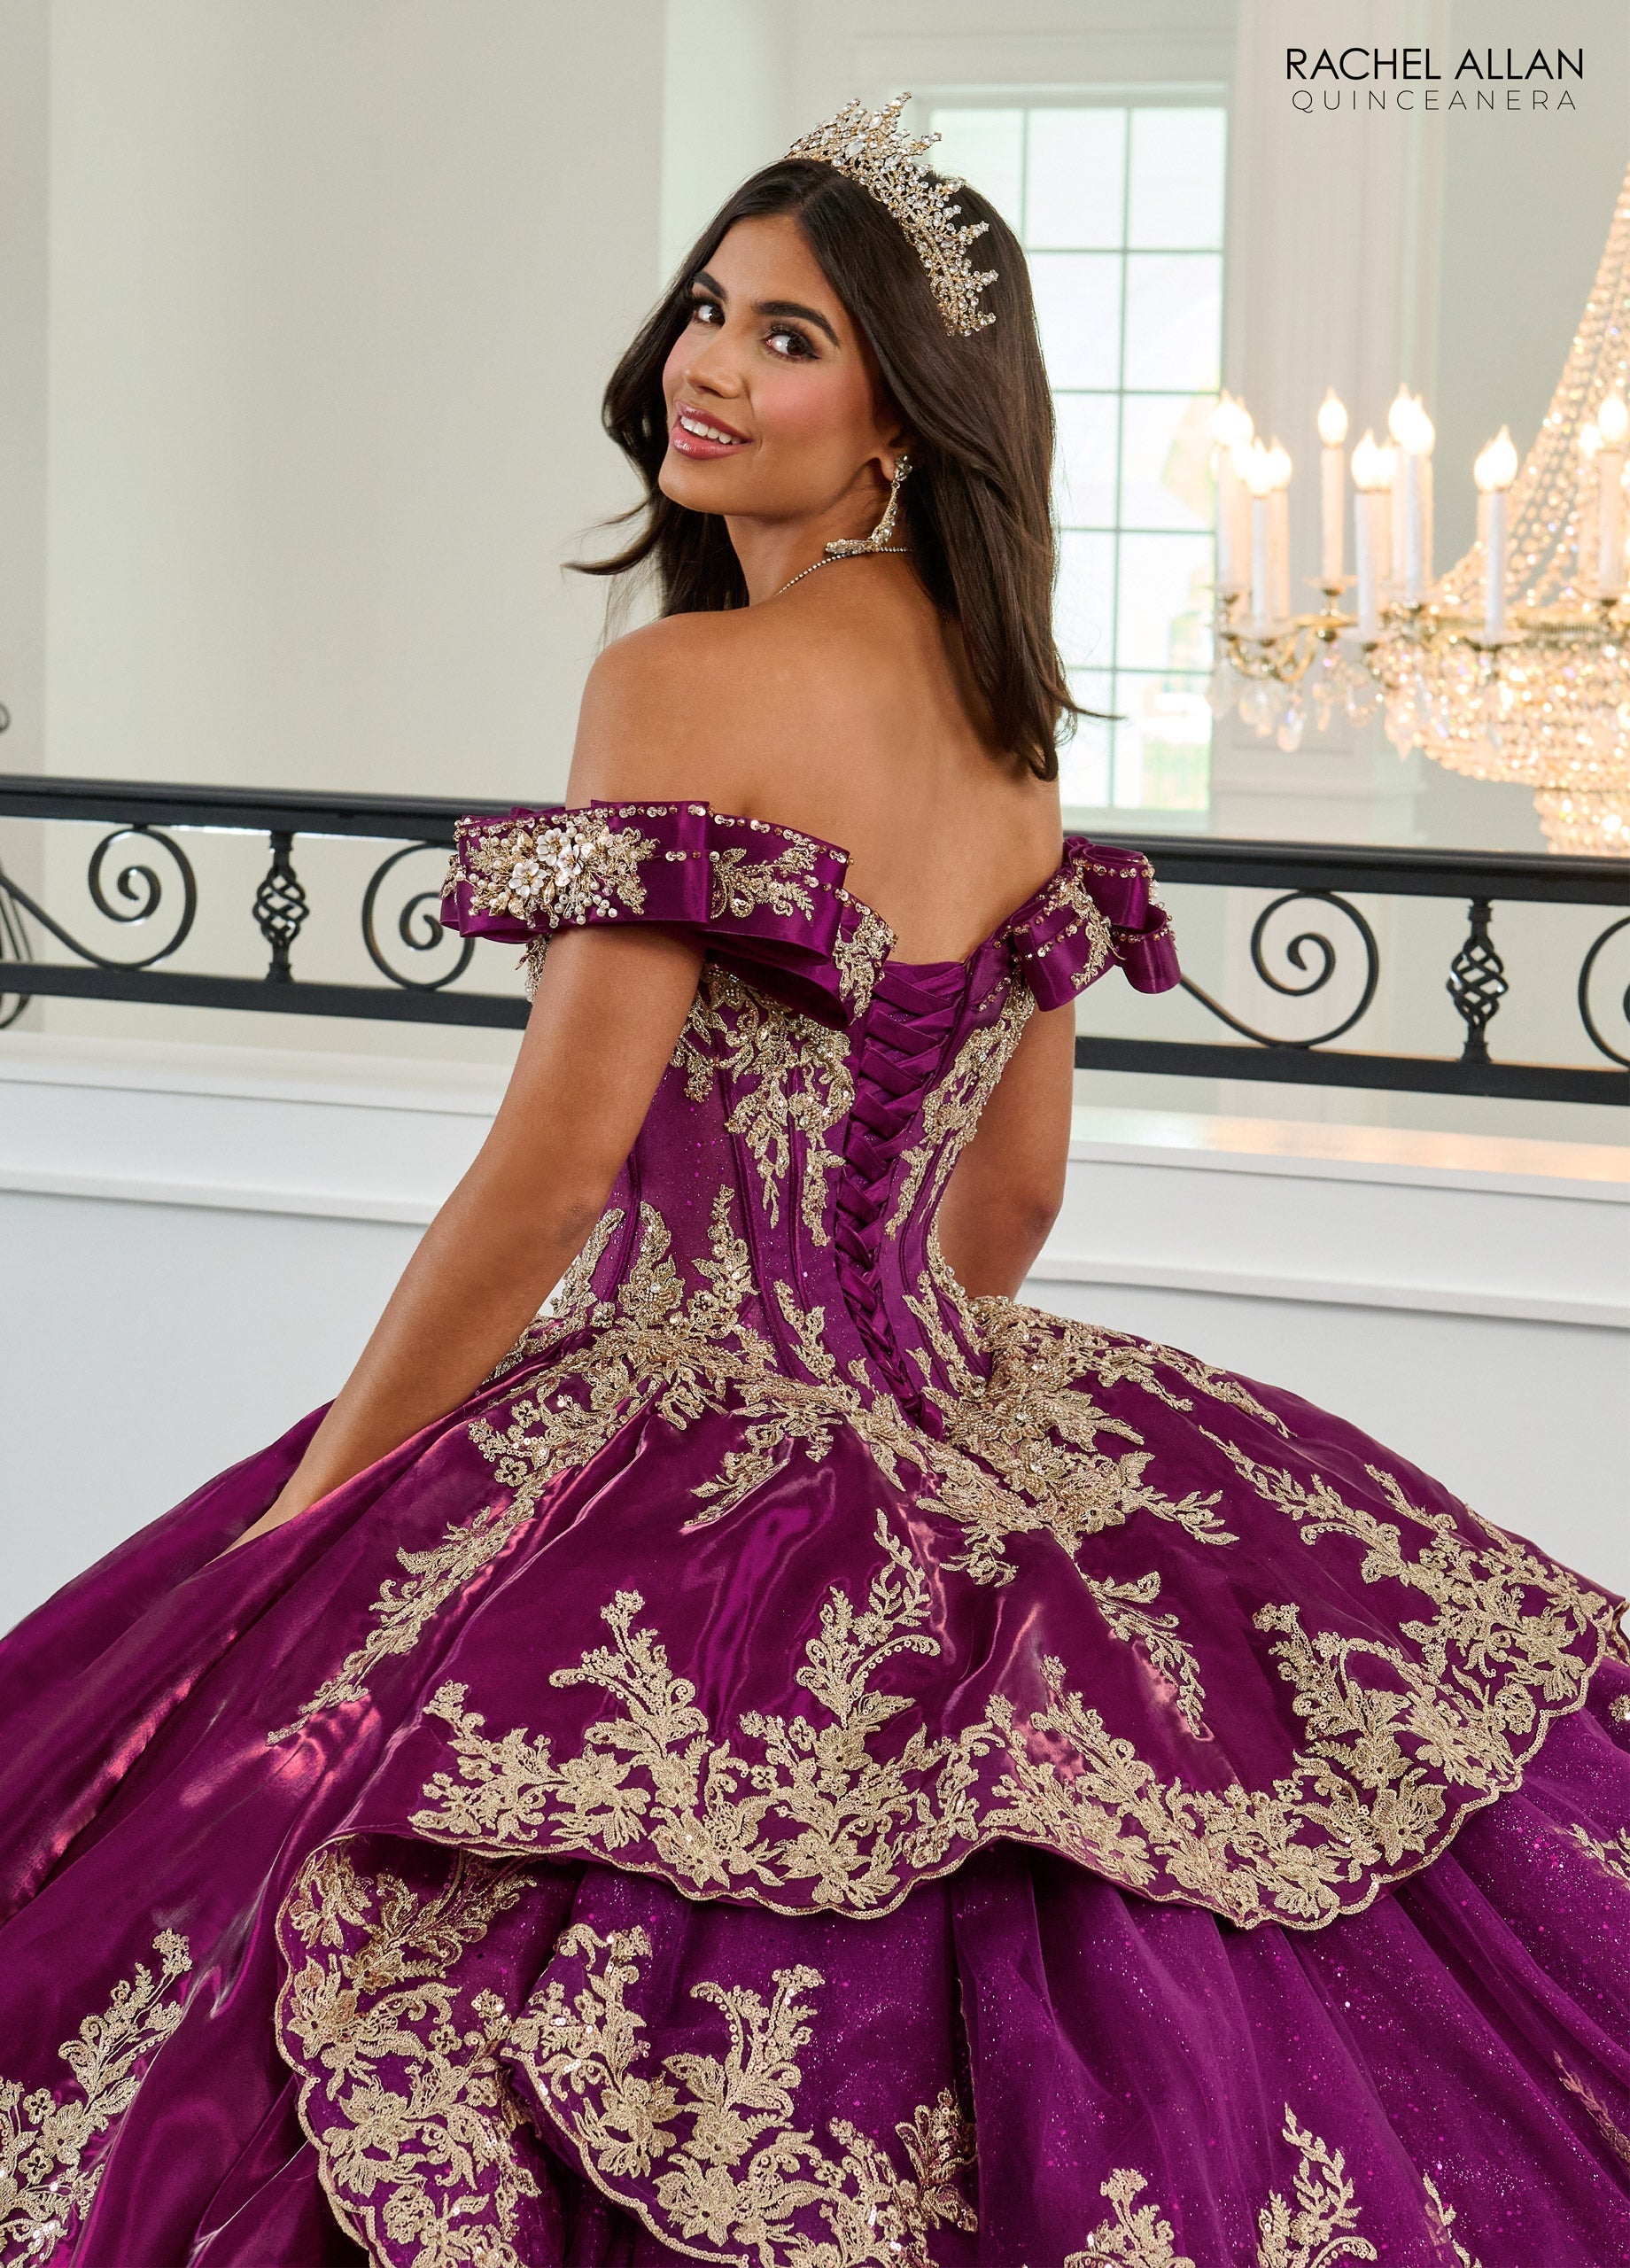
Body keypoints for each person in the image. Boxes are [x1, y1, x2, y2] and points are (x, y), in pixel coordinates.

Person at [0, 95, 1625, 2268]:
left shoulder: (676, 681)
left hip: (678, 1398)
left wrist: (313, 1516)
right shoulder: (1009, 724)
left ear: (900, 422)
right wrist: (900, 1411)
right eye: (708, 308)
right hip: (939, 1390)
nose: (707, 363)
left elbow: (555, 1169)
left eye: (788, 338)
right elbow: (1008, 1207)